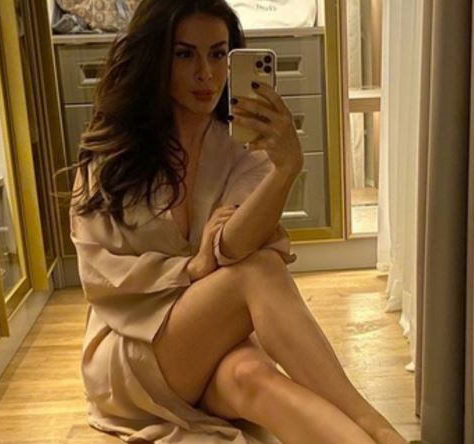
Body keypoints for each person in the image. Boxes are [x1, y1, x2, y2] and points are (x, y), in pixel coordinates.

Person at [69, 1, 407, 443]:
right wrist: (191, 269)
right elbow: (100, 277)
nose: (206, 74)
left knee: (254, 378)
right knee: (258, 271)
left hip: (212, 337)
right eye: (185, 54)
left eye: (218, 54)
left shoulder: (241, 146)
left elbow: (233, 247)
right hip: (132, 348)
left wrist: (285, 169)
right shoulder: (113, 155)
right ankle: (378, 427)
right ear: (156, 58)